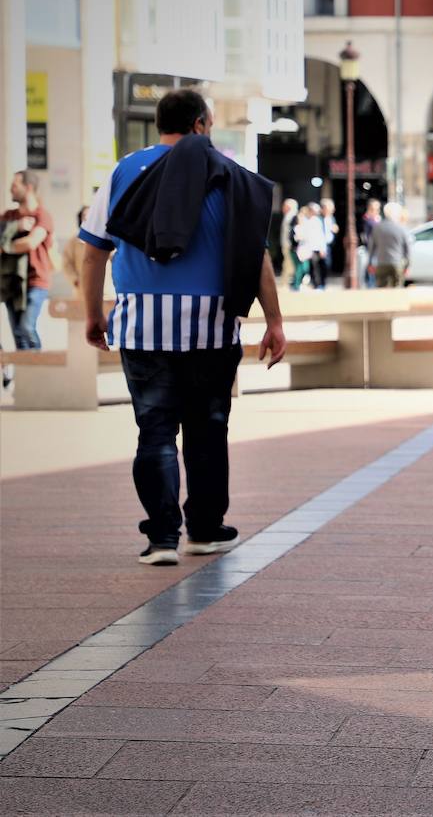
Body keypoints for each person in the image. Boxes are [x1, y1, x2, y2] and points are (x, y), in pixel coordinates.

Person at [78, 88, 286, 565]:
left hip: (142, 326)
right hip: (211, 329)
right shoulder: (230, 176)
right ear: (200, 125)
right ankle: (206, 530)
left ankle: (162, 539)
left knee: (154, 432)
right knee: (207, 431)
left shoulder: (124, 170)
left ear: (159, 125)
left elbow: (94, 250)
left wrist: (94, 313)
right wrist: (273, 321)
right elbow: (256, 256)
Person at [2, 170, 55, 364]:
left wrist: (5, 246)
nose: (10, 189)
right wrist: (16, 227)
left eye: (15, 185)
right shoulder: (9, 216)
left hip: (36, 281)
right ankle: (28, 379)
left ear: (29, 188)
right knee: (17, 334)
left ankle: (42, 368)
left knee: (26, 327)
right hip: (11, 282)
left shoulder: (42, 215)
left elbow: (31, 243)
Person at [368, 202, 411, 287]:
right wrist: (407, 265)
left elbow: (371, 247)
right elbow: (407, 249)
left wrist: (370, 263)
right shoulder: (401, 228)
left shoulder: (377, 227)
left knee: (382, 290)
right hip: (397, 263)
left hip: (381, 263)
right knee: (397, 290)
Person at [291, 203, 323, 291]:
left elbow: (320, 236)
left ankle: (316, 285)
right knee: (303, 268)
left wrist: (321, 248)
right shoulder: (303, 221)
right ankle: (298, 284)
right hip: (304, 249)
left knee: (311, 268)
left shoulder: (317, 221)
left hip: (313, 248)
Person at [316, 200, 338, 286]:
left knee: (327, 264)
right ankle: (319, 284)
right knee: (320, 264)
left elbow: (333, 229)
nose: (331, 211)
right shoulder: (318, 219)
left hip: (329, 245)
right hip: (320, 245)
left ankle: (323, 283)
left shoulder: (332, 218)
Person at [276, 198, 298, 284]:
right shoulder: (288, 216)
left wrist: (290, 244)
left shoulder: (292, 216)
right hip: (286, 244)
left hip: (289, 245)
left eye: (284, 206)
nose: (283, 208)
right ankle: (285, 282)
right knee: (287, 264)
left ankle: (287, 282)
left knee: (289, 264)